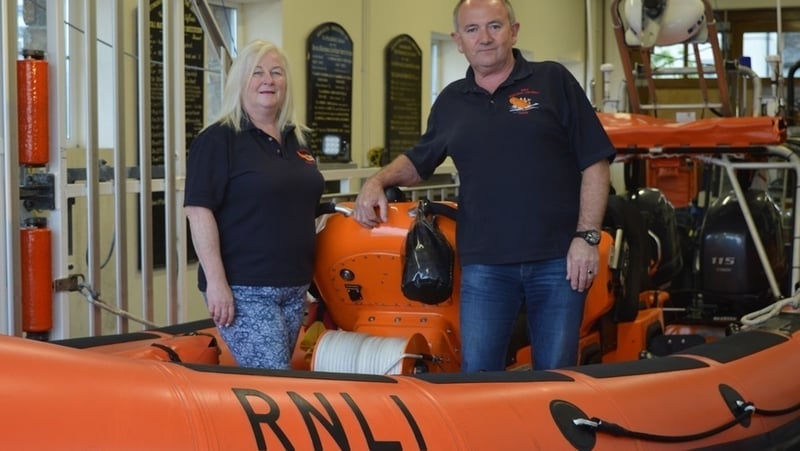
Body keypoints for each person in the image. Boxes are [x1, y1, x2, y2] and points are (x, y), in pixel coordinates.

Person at [353, 0, 615, 371]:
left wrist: (587, 238)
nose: (485, 38)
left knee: (556, 377)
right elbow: (419, 161)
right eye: (473, 30)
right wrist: (377, 180)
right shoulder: (451, 102)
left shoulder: (553, 81)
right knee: (476, 378)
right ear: (458, 40)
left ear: (514, 30)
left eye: (495, 26)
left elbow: (595, 161)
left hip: (558, 261)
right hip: (485, 267)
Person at [184, 40, 324, 369]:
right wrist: (217, 283)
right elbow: (198, 211)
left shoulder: (298, 139)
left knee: (273, 380)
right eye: (257, 72)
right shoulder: (217, 139)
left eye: (276, 72)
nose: (268, 80)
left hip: (294, 287)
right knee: (276, 380)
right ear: (239, 82)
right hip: (244, 287)